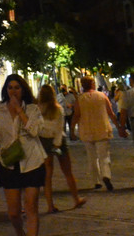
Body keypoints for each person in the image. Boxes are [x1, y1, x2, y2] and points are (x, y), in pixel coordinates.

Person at [0, 74, 52, 236]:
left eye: (17, 88)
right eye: (10, 88)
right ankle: (20, 232)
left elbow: (34, 131)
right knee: (13, 212)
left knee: (31, 207)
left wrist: (19, 111)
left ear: (23, 90)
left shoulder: (32, 109)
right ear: (5, 90)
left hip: (31, 161)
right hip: (8, 163)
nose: (13, 91)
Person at [37, 83, 86, 213]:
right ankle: (76, 199)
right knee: (67, 171)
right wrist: (57, 144)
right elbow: (60, 128)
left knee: (47, 175)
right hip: (58, 141)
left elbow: (37, 128)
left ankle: (50, 205)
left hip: (44, 141)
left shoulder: (37, 109)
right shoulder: (57, 108)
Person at [71, 75, 121, 192]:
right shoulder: (102, 96)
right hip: (102, 129)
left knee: (91, 157)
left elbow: (76, 115)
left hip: (86, 131)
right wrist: (119, 127)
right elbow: (111, 113)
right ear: (93, 84)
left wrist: (72, 131)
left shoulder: (80, 99)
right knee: (104, 156)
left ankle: (96, 181)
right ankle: (106, 175)